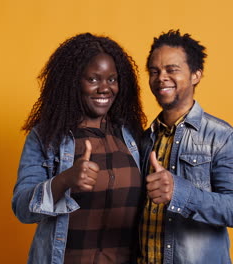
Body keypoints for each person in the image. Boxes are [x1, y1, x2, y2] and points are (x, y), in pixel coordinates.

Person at [12, 33, 147, 264]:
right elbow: (23, 208)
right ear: (73, 82)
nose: (104, 88)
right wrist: (65, 180)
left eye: (112, 80)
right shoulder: (46, 138)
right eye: (93, 79)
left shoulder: (133, 137)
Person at [137, 30, 233, 264]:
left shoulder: (222, 137)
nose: (161, 78)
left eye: (172, 70)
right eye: (155, 71)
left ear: (195, 75)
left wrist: (180, 193)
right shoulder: (143, 138)